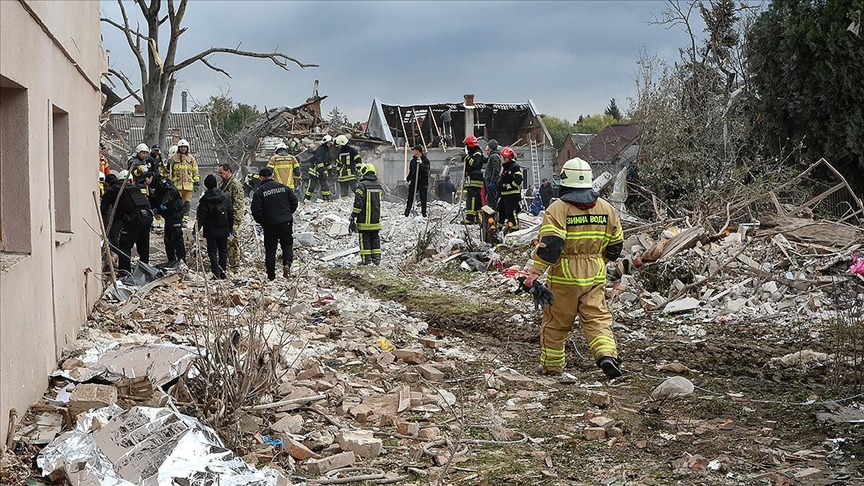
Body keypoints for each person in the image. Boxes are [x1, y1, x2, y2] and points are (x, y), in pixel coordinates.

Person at [523, 157, 624, 379]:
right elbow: (616, 245)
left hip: (564, 277)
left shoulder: (558, 208)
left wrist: (534, 273)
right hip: (595, 275)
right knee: (597, 320)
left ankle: (552, 366)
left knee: (555, 324)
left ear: (565, 182)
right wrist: (599, 260)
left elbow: (551, 245)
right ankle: (606, 355)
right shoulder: (607, 208)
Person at [251, 167, 299, 281]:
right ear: (272, 176)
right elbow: (294, 202)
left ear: (261, 178)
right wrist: (288, 214)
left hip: (270, 225)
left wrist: (262, 221)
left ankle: (271, 275)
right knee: (287, 244)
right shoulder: (283, 187)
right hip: (285, 222)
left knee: (271, 249)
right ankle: (287, 264)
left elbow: (256, 211)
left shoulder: (260, 192)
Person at [197, 174, 234, 279]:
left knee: (212, 252)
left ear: (205, 185)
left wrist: (196, 230)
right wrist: (230, 228)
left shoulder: (205, 200)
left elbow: (201, 216)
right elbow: (231, 213)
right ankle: (223, 273)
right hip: (224, 229)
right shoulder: (224, 197)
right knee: (223, 251)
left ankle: (215, 273)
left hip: (211, 230)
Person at [115, 172, 153, 272]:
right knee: (143, 245)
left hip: (136, 218)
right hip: (148, 216)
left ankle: (124, 271)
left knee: (124, 245)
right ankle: (144, 270)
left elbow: (108, 208)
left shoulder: (116, 189)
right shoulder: (136, 189)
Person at [147, 172, 186, 268]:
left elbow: (171, 191)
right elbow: (156, 199)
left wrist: (164, 202)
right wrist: (156, 208)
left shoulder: (162, 182)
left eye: (146, 180)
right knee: (168, 239)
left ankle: (182, 260)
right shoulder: (154, 188)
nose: (146, 183)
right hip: (168, 215)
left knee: (177, 236)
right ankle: (171, 260)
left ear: (151, 177)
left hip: (175, 212)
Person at [350, 164, 383, 265]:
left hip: (364, 220)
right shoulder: (379, 185)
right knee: (375, 238)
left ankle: (366, 260)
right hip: (376, 220)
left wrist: (353, 215)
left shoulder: (361, 185)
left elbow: (358, 203)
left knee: (365, 239)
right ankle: (376, 259)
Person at [217, 163, 245, 270]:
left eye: (221, 173)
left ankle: (234, 267)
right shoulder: (222, 184)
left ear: (228, 171)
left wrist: (235, 223)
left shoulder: (235, 185)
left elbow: (238, 205)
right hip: (222, 219)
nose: (219, 175)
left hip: (232, 219)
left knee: (232, 242)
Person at [169, 139, 199, 223]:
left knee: (187, 203)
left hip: (188, 185)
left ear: (187, 148)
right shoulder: (173, 158)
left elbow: (195, 171)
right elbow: (168, 171)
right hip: (176, 185)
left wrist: (196, 182)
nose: (183, 149)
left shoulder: (191, 158)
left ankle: (185, 220)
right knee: (177, 203)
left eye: (184, 147)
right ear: (178, 148)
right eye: (181, 147)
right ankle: (178, 218)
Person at [497, 147, 523, 233]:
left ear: (510, 157)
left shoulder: (514, 166)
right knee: (501, 210)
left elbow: (519, 178)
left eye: (505, 157)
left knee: (511, 211)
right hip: (505, 194)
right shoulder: (505, 167)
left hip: (512, 194)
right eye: (503, 157)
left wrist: (511, 185)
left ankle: (514, 228)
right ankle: (499, 228)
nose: (504, 159)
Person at [462, 135, 485, 223]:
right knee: (476, 199)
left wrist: (467, 158)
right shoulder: (473, 153)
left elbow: (475, 163)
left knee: (471, 198)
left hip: (474, 178)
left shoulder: (477, 153)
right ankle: (478, 218)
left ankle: (470, 218)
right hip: (472, 178)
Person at [100, 173, 124, 252]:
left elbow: (103, 209)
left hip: (128, 216)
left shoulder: (111, 191)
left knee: (113, 233)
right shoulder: (126, 187)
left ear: (107, 183)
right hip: (145, 215)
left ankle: (116, 254)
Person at [305, 135, 333, 201]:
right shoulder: (320, 150)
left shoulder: (326, 150)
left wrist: (330, 170)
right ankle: (306, 199)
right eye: (329, 143)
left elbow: (328, 161)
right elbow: (319, 162)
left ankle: (326, 199)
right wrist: (323, 171)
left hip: (321, 171)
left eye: (330, 143)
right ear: (325, 143)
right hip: (314, 171)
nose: (330, 144)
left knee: (325, 186)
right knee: (312, 186)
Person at [405, 145, 430, 217]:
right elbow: (411, 172)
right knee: (410, 196)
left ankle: (424, 213)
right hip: (414, 181)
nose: (413, 152)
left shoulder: (426, 161)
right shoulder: (413, 161)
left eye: (414, 150)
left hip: (422, 182)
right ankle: (407, 211)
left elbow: (427, 171)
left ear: (418, 151)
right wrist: (408, 179)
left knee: (423, 197)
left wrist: (421, 164)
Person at [484, 139, 502, 207]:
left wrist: (492, 182)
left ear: (490, 147)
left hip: (491, 182)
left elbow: (496, 170)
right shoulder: (492, 156)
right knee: (489, 199)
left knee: (492, 201)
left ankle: (492, 214)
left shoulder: (494, 156)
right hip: (490, 181)